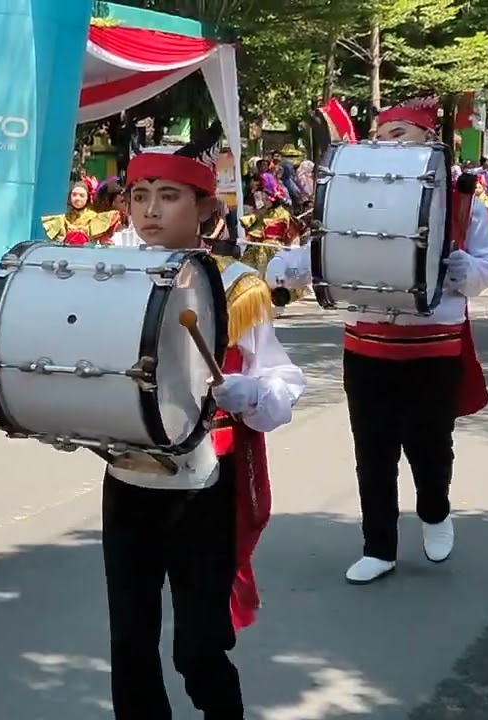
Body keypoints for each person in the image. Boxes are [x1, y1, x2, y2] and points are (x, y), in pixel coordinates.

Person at [104, 123, 307, 720]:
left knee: (198, 646)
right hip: (128, 480)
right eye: (140, 196)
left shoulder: (236, 286)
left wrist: (243, 392)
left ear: (205, 211)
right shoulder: (110, 278)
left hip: (204, 486)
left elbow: (282, 385)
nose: (149, 210)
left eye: (168, 196)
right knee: (130, 644)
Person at [276, 96, 488, 585]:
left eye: (401, 133)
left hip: (434, 343)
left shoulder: (462, 199)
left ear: (429, 139)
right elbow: (329, 243)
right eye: (382, 135)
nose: (388, 142)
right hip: (366, 342)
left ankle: (435, 510)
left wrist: (471, 272)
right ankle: (378, 545)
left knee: (429, 443)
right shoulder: (353, 191)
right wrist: (295, 266)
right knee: (372, 449)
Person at [40, 178, 119, 245]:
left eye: (82, 195)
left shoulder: (95, 219)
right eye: (74, 195)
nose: (77, 198)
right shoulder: (62, 220)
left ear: (87, 198)